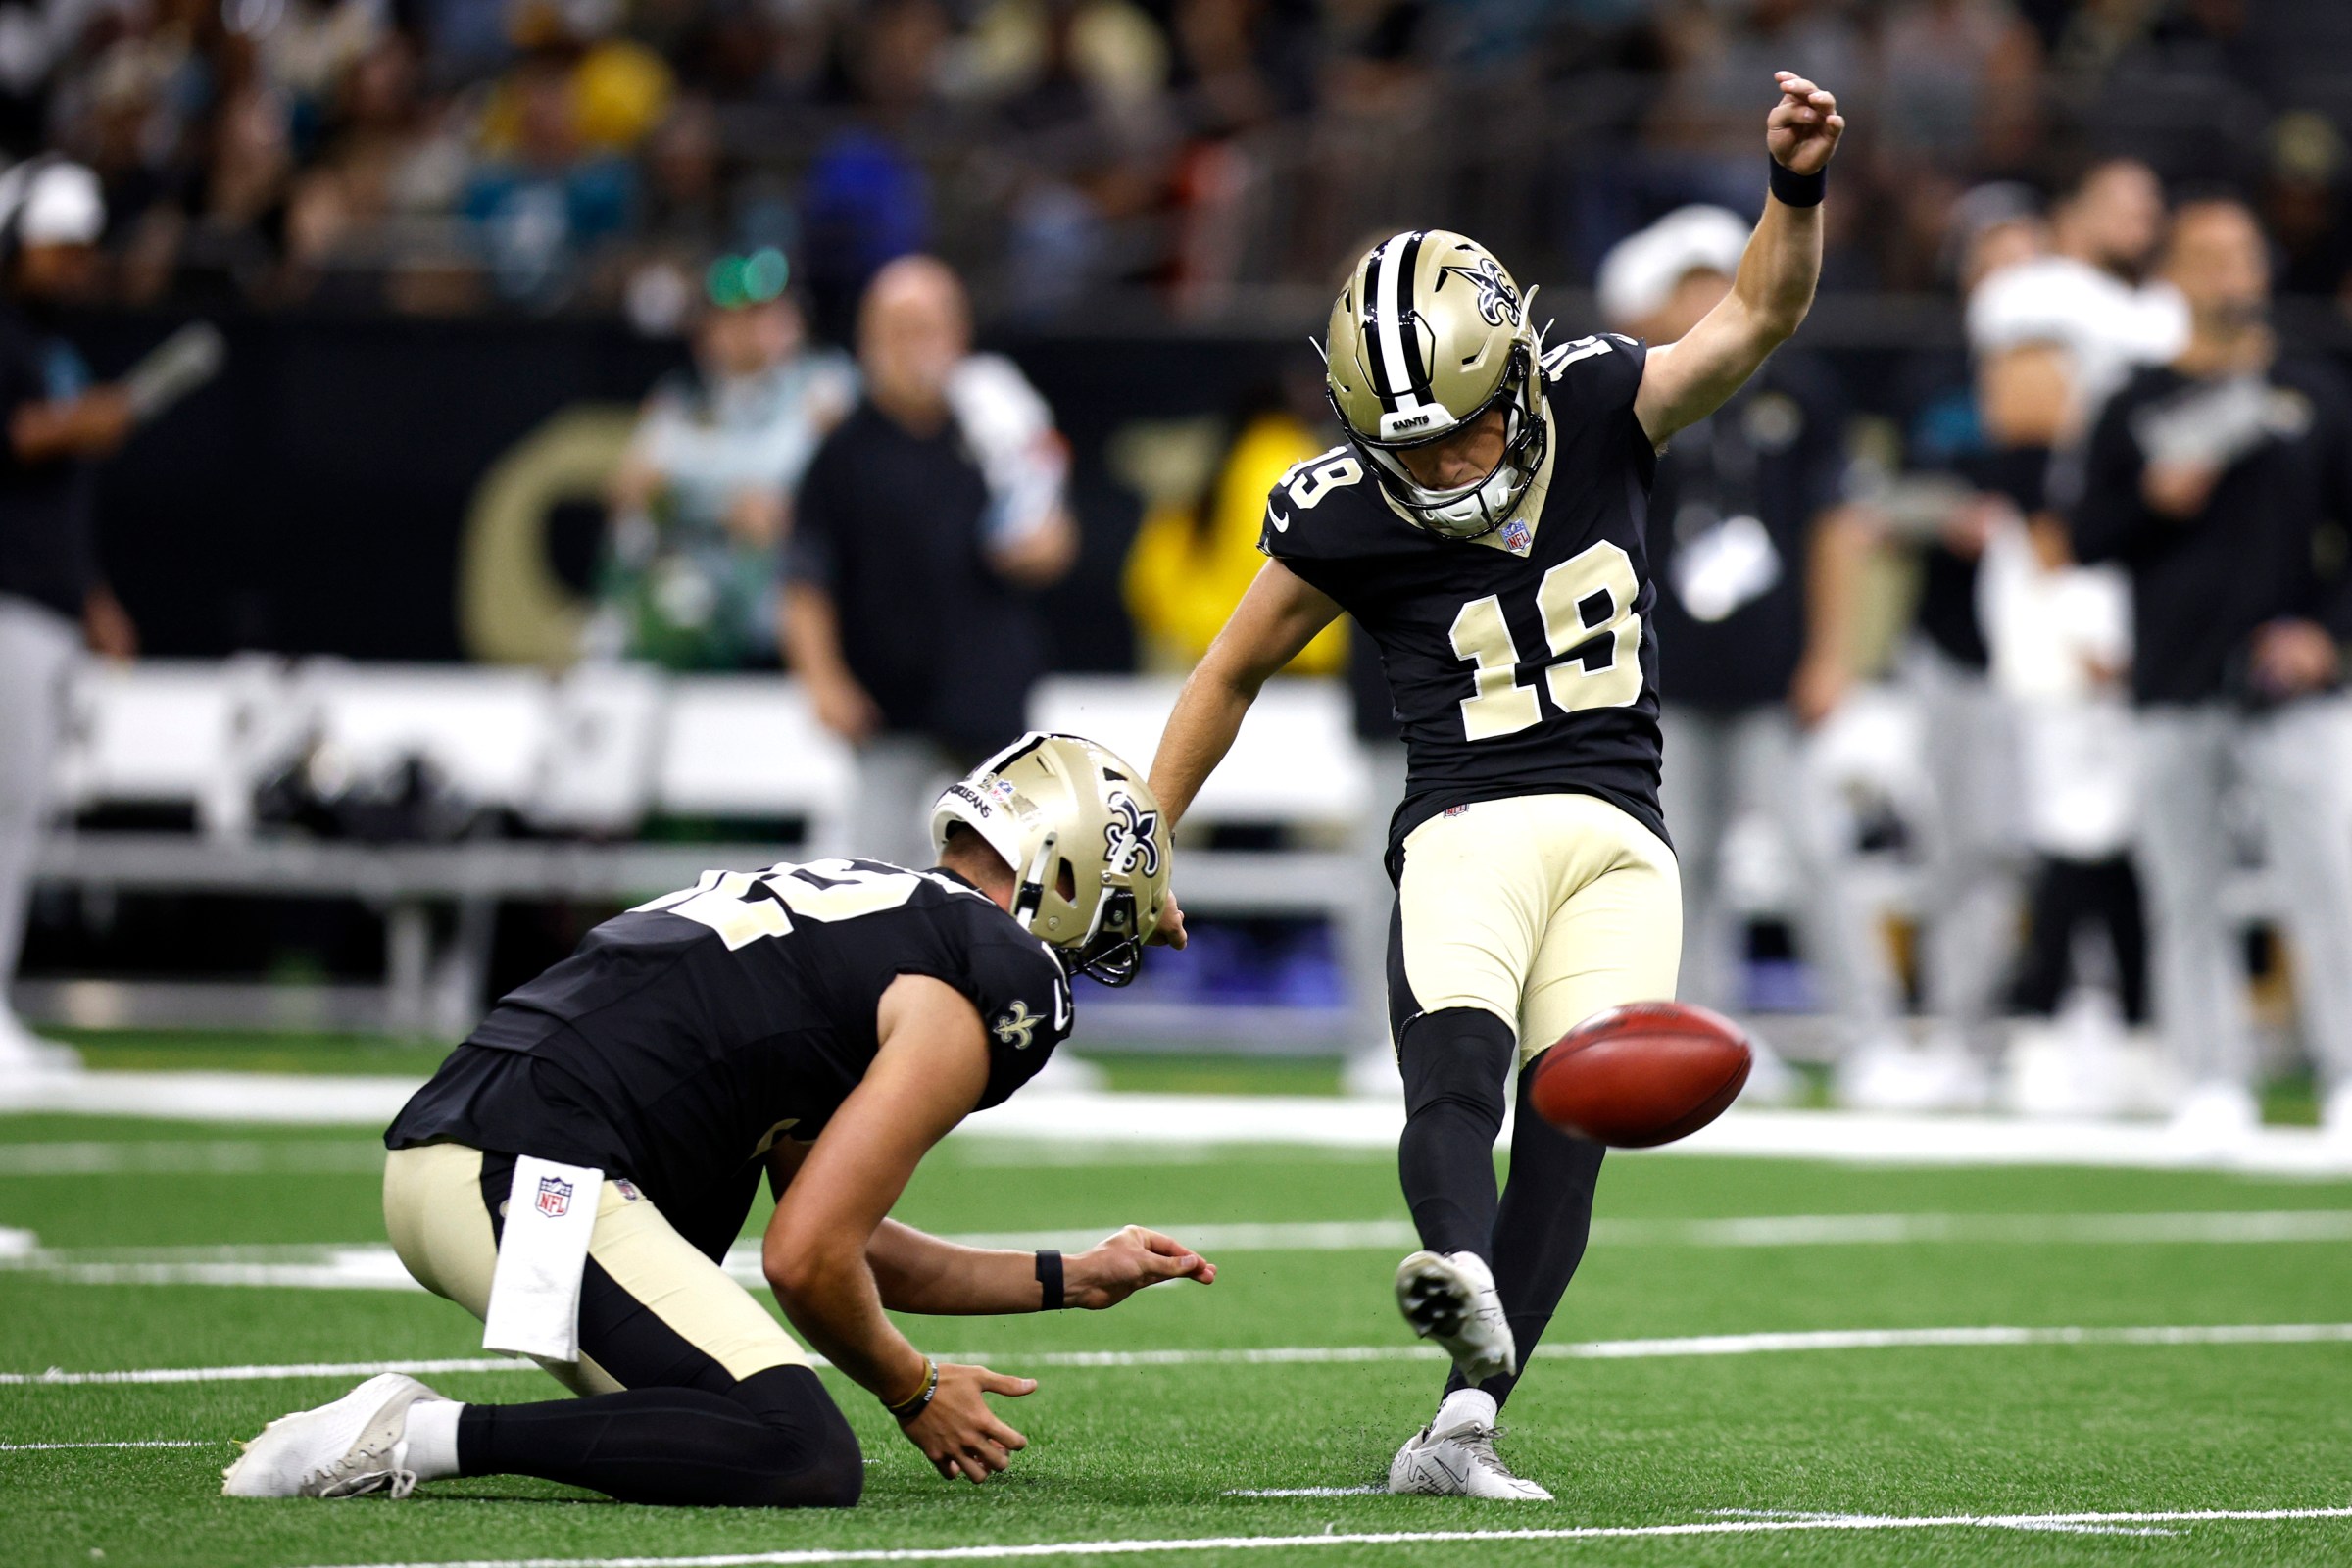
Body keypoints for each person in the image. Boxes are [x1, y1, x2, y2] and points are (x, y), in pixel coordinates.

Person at [1147, 73, 1846, 1498]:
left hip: (1621, 838)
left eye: (1461, 423)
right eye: (1407, 442)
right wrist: (1150, 834)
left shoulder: (1598, 402)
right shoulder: (1341, 509)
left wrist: (1793, 190)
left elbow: (1760, 312)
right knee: (1456, 1072)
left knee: (1574, 1130)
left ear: (1516, 363)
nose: (1446, 460)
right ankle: (1457, 1265)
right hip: (1466, 820)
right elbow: (1226, 671)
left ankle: (1466, 1415)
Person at [223, 732, 1212, 1505]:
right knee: (798, 1450)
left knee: (709, 1433)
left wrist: (1069, 1278)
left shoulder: (872, 919)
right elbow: (807, 1259)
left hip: (478, 1159)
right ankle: (413, 1435)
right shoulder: (983, 975)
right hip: (531, 1169)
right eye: (1114, 917)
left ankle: (435, 1429)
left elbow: (843, 1241)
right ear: (1068, 876)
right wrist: (912, 1388)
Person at [1867, 159, 2182, 1110]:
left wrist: (2091, 620)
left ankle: (2101, 1026)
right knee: (2065, 835)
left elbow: (2076, 528)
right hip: (2017, 644)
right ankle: (2070, 1027)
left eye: (2027, 357)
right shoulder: (2027, 449)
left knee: (2103, 835)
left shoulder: (2112, 402)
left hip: (2106, 639)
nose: (2006, 378)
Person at [2069, 197, 2352, 1151]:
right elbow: (2085, 535)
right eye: (2210, 256)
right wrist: (2153, 499)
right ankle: (2210, 1080)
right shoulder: (2135, 399)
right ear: (2176, 275)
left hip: (2293, 691)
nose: (2232, 273)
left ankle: (2345, 1077)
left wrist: (2329, 636)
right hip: (2173, 682)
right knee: (2183, 895)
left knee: (2330, 886)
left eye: (2244, 254)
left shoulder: (2311, 394)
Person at [1603, 205, 1895, 1091]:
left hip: (1773, 678)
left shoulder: (1792, 391)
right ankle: (1703, 1039)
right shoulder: (1623, 400)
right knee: (1681, 866)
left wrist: (1831, 656)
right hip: (1666, 681)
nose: (1701, 298)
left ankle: (1872, 1036)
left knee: (1817, 853)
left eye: (1711, 279)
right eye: (1682, 284)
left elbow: (1836, 530)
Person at [782, 255, 1077, 869]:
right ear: (868, 341)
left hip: (990, 706)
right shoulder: (844, 450)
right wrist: (824, 681)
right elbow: (806, 576)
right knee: (878, 880)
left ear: (958, 334)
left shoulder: (993, 424)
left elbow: (1056, 536)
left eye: (928, 327)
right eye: (898, 329)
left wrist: (1041, 547)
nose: (914, 347)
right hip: (888, 709)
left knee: (1009, 880)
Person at [0, 159, 143, 1081]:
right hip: (5, 604)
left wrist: (92, 599)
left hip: (45, 606)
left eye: (84, 251)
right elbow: (16, 437)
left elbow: (50, 500)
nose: (75, 266)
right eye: (58, 247)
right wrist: (78, 422)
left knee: (19, 812)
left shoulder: (50, 346)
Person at [589, 254, 854, 670]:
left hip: (788, 620)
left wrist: (684, 481)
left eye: (765, 314)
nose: (751, 330)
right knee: (634, 530)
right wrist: (719, 500)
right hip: (697, 602)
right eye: (733, 318)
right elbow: (639, 476)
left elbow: (786, 467)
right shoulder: (680, 399)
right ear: (706, 332)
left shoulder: (826, 386)